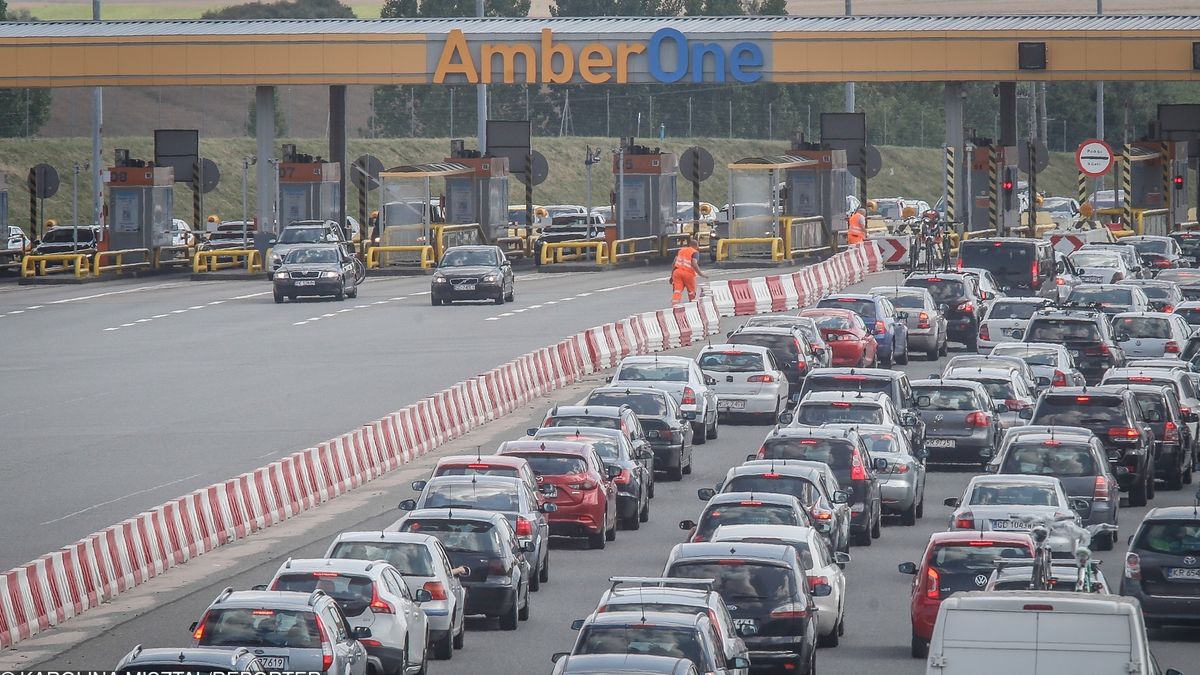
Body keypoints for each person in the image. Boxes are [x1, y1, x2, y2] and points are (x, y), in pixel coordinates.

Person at [671, 236, 707, 304]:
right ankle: (692, 305)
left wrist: (672, 276)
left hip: (677, 272)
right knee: (691, 292)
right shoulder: (695, 252)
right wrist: (701, 274)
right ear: (696, 246)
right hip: (688, 274)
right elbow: (694, 263)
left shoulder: (681, 250)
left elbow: (674, 263)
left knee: (677, 291)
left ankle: (675, 305)